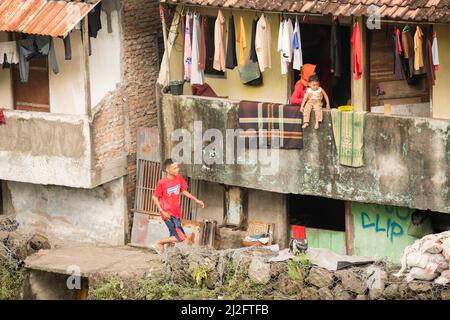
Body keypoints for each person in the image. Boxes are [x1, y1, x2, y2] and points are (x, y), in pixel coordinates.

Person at [152, 159, 205, 254]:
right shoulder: (162, 183)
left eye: (177, 167)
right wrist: (162, 211)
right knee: (180, 237)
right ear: (167, 170)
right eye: (174, 168)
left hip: (177, 213)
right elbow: (154, 197)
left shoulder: (179, 178)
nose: (177, 170)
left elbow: (184, 191)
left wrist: (196, 200)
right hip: (168, 214)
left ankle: (168, 257)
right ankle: (159, 243)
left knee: (172, 237)